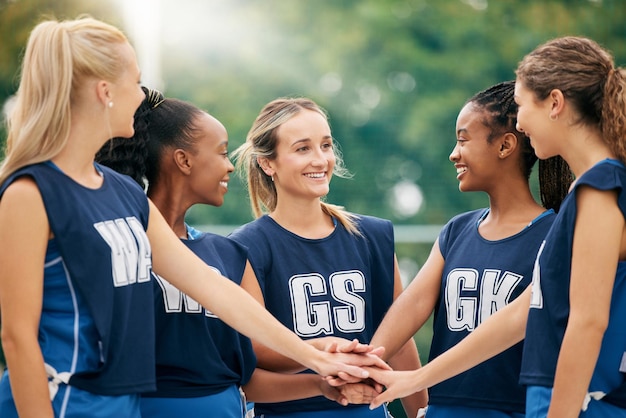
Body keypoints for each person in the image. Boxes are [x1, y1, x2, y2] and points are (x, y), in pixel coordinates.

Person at [0, 17, 386, 418]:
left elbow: (212, 288)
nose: (142, 96)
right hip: (59, 401)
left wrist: (317, 356)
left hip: (118, 405)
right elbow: (17, 337)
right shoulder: (30, 193)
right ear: (105, 92)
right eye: (135, 82)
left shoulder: (124, 193)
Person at [363, 36, 626, 418]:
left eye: (521, 106)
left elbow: (588, 322)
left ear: (554, 103)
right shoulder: (587, 190)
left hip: (579, 404)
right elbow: (521, 315)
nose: (519, 122)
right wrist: (414, 380)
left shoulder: (600, 187)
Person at [95, 88, 381, 417]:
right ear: (184, 160)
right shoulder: (121, 240)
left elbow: (246, 377)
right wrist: (316, 356)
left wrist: (319, 365)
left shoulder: (227, 254)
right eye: (221, 153)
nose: (230, 166)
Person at [361, 80, 571, 418]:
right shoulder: (457, 230)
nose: (453, 153)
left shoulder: (555, 234)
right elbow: (413, 305)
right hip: (444, 408)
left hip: (514, 409)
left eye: (463, 140)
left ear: (505, 146)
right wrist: (367, 362)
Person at [229, 97, 428, 418]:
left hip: (369, 411)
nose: (320, 159)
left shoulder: (373, 236)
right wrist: (324, 351)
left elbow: (401, 341)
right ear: (269, 163)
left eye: (325, 145)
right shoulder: (246, 246)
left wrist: (421, 412)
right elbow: (255, 352)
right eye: (302, 148)